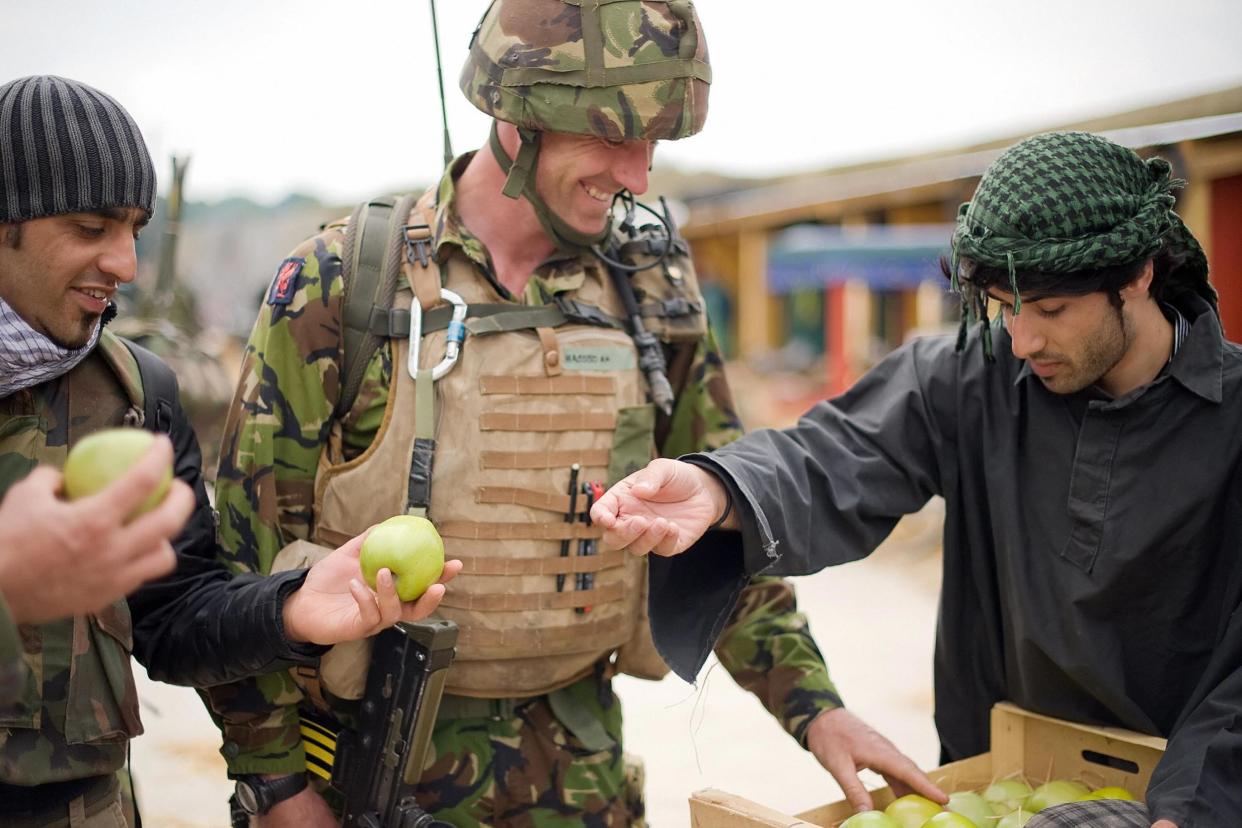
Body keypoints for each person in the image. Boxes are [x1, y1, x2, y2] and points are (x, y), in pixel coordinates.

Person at [202, 1, 947, 824]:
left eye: (654, 144)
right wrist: (276, 783)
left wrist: (816, 707)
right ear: (519, 120)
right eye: (616, 139)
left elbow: (721, 511)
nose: (638, 177)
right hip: (369, 770)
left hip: (580, 775)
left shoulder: (651, 288)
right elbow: (240, 556)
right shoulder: (344, 286)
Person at [593, 131, 1242, 827]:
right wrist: (722, 489)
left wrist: (1192, 808)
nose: (1022, 342)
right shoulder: (972, 378)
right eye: (1002, 306)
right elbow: (835, 451)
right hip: (993, 789)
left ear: (1138, 275)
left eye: (1051, 310)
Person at [0, 74, 459, 827]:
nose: (125, 265)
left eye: (134, 232)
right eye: (90, 229)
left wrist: (289, 613)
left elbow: (173, 616)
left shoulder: (134, 395)